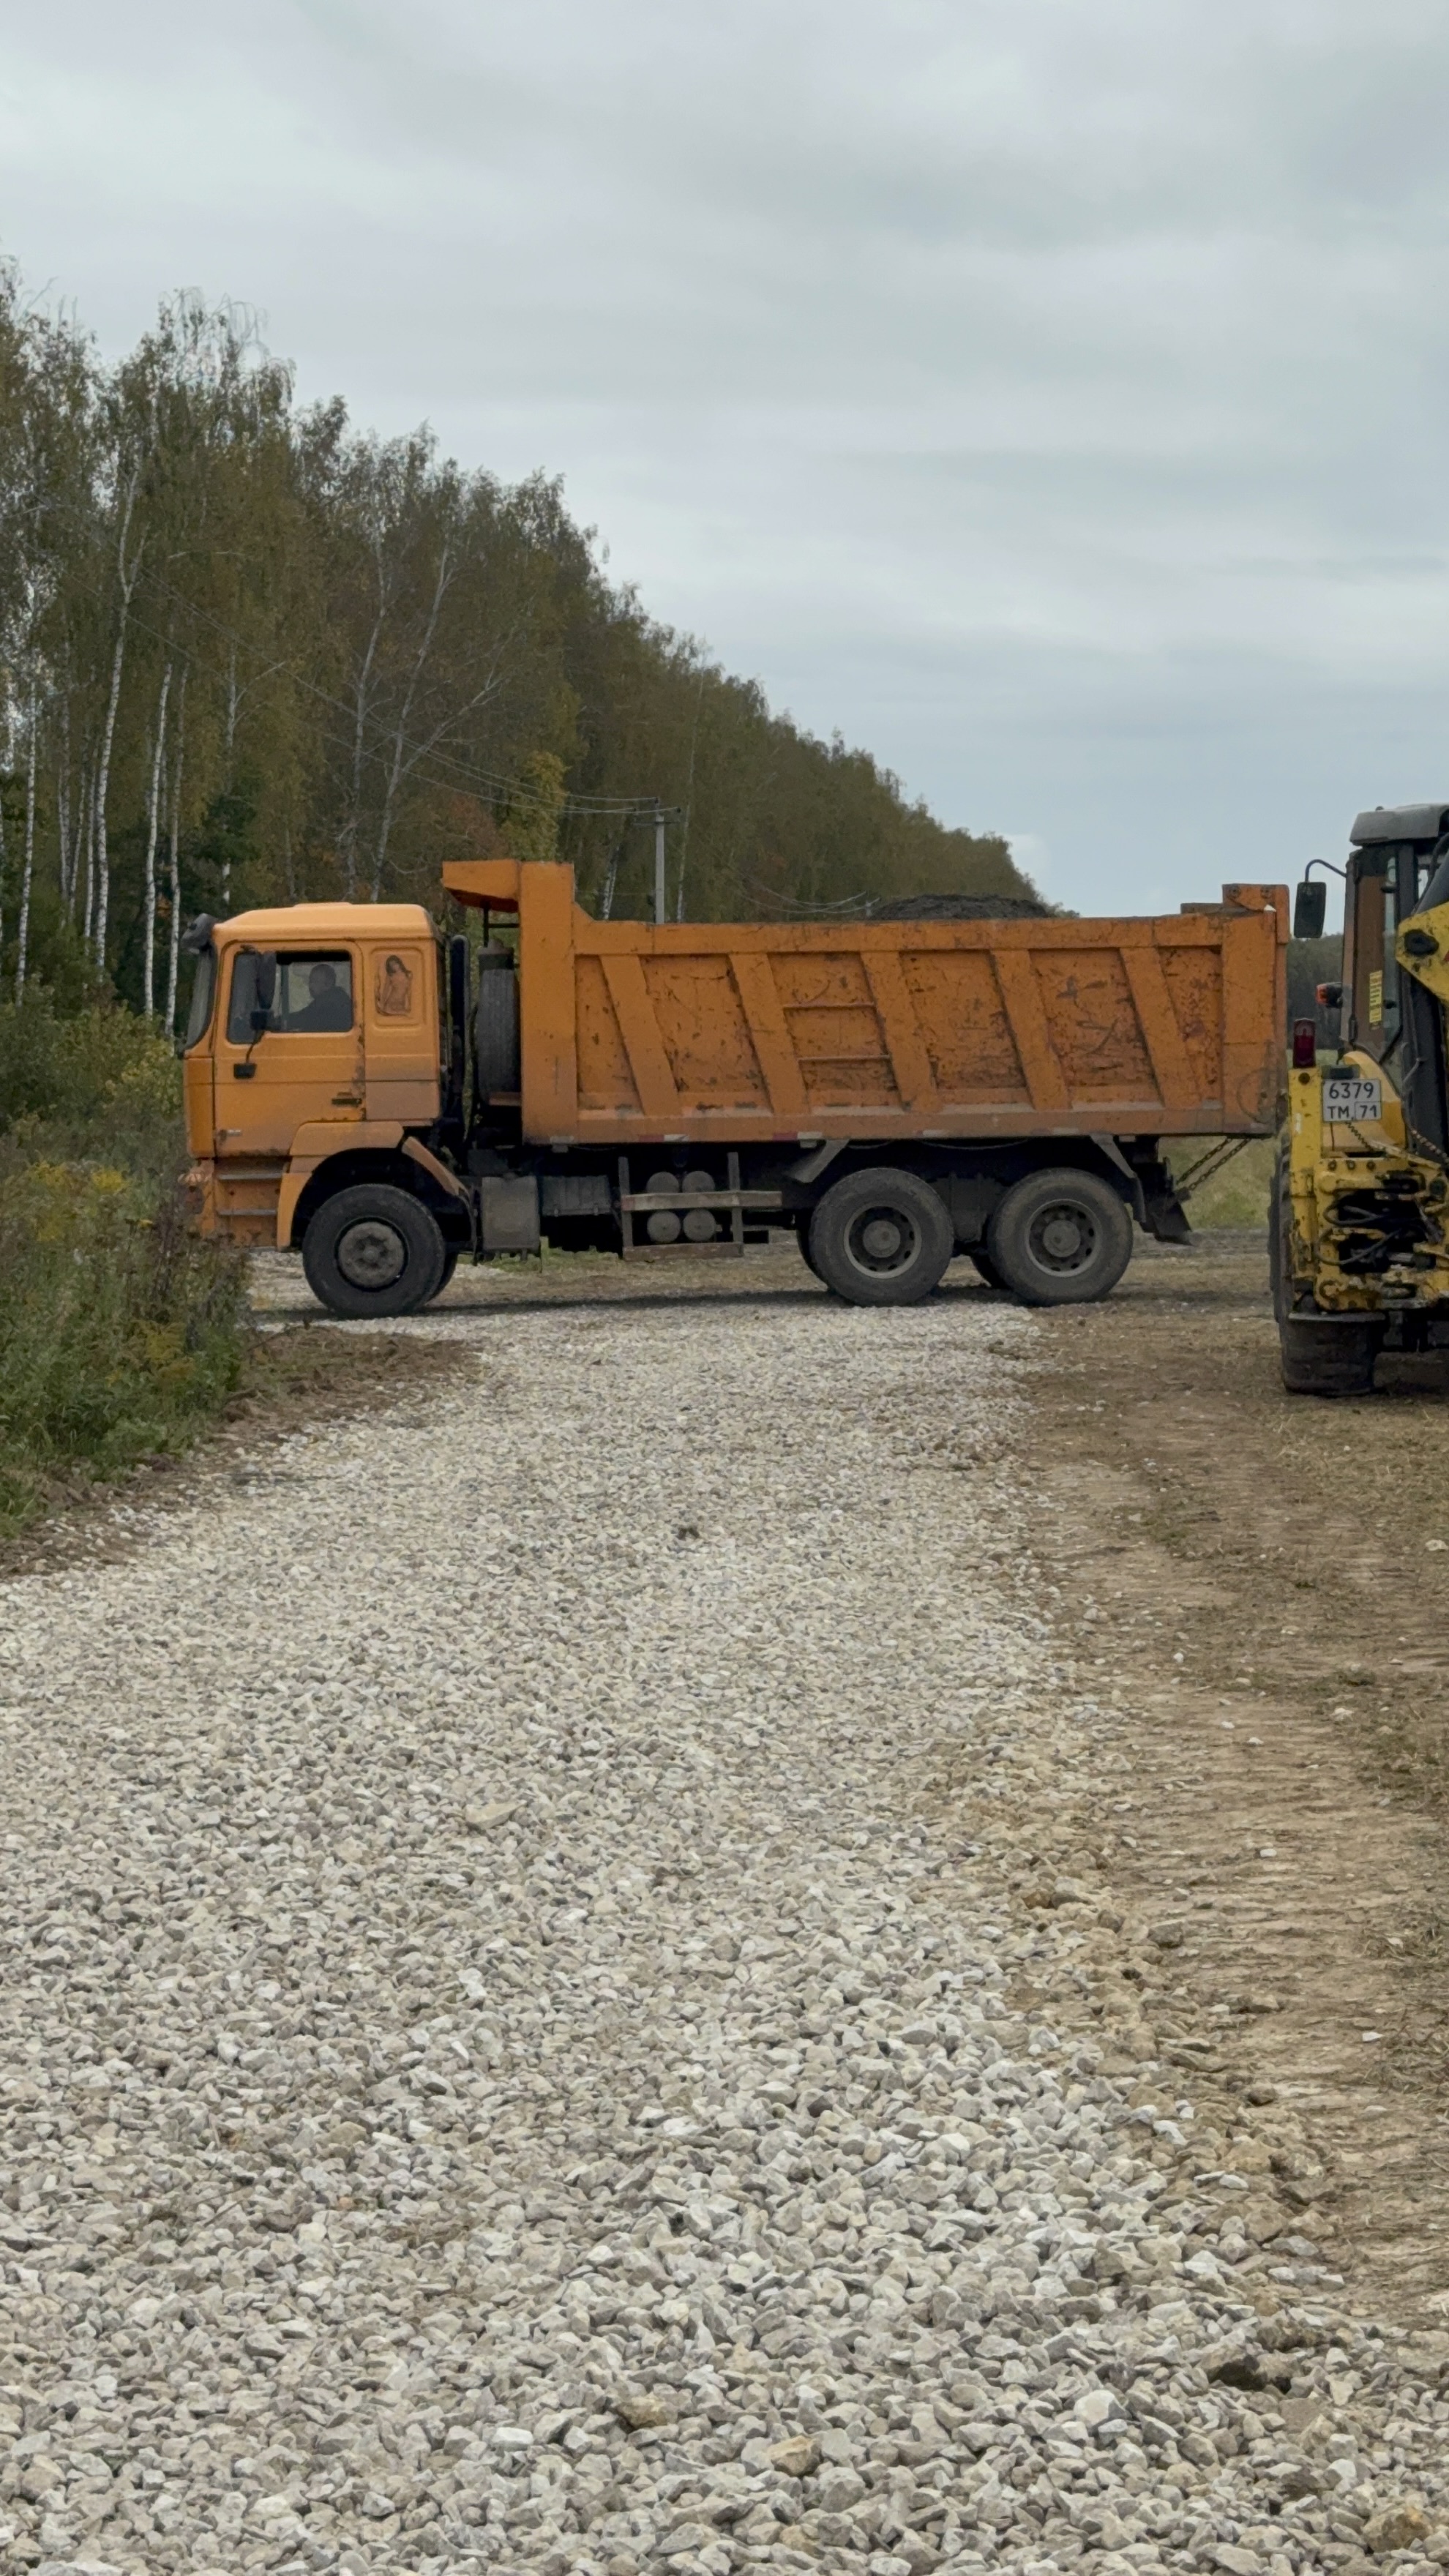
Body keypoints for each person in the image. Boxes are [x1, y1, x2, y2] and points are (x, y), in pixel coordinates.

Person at [291, 960, 353, 1032]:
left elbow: (303, 1018)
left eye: (315, 981)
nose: (310, 985)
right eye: (310, 981)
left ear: (328, 984)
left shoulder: (327, 1004)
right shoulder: (339, 998)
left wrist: (279, 1022)